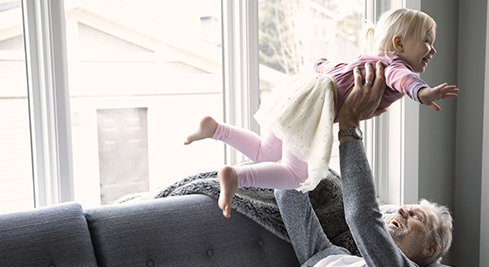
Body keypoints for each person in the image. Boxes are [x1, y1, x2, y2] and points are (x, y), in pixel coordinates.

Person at [49, 59, 453, 267]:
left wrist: (349, 129)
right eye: (405, 205)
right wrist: (309, 113)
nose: (400, 208)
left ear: (430, 246)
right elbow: (289, 192)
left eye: (415, 214)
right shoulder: (332, 256)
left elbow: (364, 219)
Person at [184, 8, 459, 218]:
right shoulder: (393, 66)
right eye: (427, 41)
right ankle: (237, 176)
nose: (433, 50)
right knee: (297, 175)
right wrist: (425, 94)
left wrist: (318, 63)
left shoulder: (365, 61)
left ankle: (216, 129)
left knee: (264, 152)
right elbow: (405, 82)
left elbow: (329, 68)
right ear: (399, 44)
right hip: (313, 109)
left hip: (299, 92)